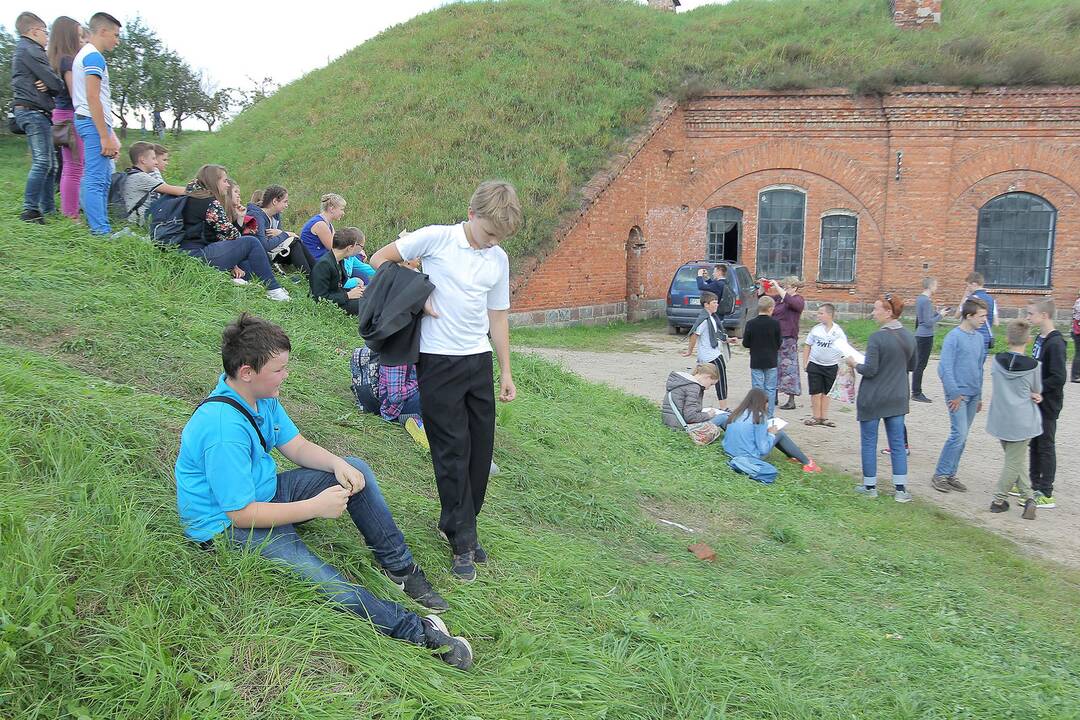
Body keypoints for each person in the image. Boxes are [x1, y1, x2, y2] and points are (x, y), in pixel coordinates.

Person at [174, 314, 473, 670]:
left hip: (263, 495)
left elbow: (296, 445)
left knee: (355, 470)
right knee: (322, 578)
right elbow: (241, 514)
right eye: (279, 369)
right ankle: (417, 630)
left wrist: (336, 464)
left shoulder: (260, 396)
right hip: (227, 527)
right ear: (246, 371)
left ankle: (400, 569)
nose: (286, 375)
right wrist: (314, 506)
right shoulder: (223, 430)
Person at [370, 180, 522, 583]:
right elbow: (379, 258)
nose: (493, 242)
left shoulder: (498, 258)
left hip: (478, 360)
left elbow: (498, 316)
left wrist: (505, 370)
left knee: (479, 451)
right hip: (438, 361)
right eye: (490, 233)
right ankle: (461, 541)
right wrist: (415, 294)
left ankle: (456, 521)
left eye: (500, 238)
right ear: (472, 215)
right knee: (451, 449)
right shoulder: (437, 239)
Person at [180, 165, 290, 301]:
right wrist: (241, 224)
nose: (227, 185)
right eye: (225, 181)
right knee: (251, 242)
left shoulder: (195, 197)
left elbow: (221, 236)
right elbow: (231, 236)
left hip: (187, 251)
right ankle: (274, 289)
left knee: (247, 257)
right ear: (214, 181)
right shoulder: (210, 203)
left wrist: (240, 218)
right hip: (198, 253)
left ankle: (244, 282)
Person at [848, 294, 916, 502]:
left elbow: (870, 370)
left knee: (869, 442)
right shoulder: (910, 337)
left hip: (874, 396)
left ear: (888, 312)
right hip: (898, 396)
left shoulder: (877, 338)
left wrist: (853, 364)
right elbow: (911, 367)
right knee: (897, 443)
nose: (873, 312)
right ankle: (901, 490)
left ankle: (870, 486)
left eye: (877, 309)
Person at [930, 297, 989, 494]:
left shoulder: (980, 338)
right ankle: (940, 474)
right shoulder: (953, 337)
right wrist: (954, 393)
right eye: (981, 316)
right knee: (959, 434)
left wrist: (979, 395)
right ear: (969, 315)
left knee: (963, 437)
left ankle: (950, 473)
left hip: (973, 395)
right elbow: (944, 368)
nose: (984, 320)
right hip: (958, 395)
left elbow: (979, 368)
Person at [986, 319, 1042, 519]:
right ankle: (998, 500)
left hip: (1001, 417)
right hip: (1022, 420)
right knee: (1013, 462)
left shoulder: (997, 360)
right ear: (1027, 339)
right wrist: (1036, 395)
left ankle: (1029, 499)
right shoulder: (1034, 365)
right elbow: (1037, 390)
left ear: (1007, 338)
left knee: (1014, 460)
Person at [72, 12, 121, 236]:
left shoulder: (85, 55)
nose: (117, 41)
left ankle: (99, 225)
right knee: (95, 178)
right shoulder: (93, 57)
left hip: (89, 121)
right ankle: (100, 230)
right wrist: (104, 135)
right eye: (115, 35)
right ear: (102, 31)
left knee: (100, 177)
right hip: (93, 123)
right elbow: (93, 97)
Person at [12, 12, 64, 224]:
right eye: (45, 31)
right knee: (43, 162)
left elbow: (50, 84)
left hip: (35, 111)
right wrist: (52, 85)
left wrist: (50, 86)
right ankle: (30, 210)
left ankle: (48, 210)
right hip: (33, 111)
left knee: (50, 164)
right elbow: (56, 84)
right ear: (34, 31)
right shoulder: (31, 50)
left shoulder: (25, 50)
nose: (47, 37)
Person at [721, 388, 820, 473]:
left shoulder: (737, 413)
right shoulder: (759, 417)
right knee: (779, 434)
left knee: (773, 434)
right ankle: (807, 463)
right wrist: (771, 434)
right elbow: (763, 449)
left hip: (729, 452)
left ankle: (793, 456)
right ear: (763, 402)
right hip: (749, 457)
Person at [1027, 297, 1066, 509]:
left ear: (1044, 315)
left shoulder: (1056, 343)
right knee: (1034, 442)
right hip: (1035, 400)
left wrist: (1040, 390)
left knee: (1046, 445)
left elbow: (1058, 377)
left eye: (1031, 313)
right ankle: (1033, 484)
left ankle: (1046, 491)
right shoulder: (1039, 338)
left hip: (1048, 403)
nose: (1028, 317)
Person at [46, 15, 85, 221]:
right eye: (79, 36)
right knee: (75, 166)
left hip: (60, 115)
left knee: (71, 164)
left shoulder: (55, 58)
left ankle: (71, 210)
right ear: (69, 37)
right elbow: (75, 94)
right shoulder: (69, 60)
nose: (82, 40)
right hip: (71, 115)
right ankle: (71, 215)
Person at [682, 291, 735, 409]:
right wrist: (690, 351)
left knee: (701, 381)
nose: (717, 305)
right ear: (706, 304)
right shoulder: (705, 319)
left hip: (706, 356)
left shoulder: (711, 318)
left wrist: (728, 340)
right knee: (719, 381)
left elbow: (715, 334)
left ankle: (695, 406)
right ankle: (723, 408)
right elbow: (694, 334)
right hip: (713, 356)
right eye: (714, 303)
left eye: (717, 302)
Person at [245, 185, 314, 276]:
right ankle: (312, 278)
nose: (286, 205)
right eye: (285, 202)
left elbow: (279, 237)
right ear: (274, 201)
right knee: (294, 244)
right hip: (262, 254)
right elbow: (264, 245)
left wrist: (281, 234)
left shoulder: (275, 215)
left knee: (296, 242)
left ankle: (318, 273)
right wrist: (285, 234)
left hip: (275, 250)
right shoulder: (257, 216)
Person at [801, 303, 846, 427]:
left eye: (821, 313)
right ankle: (816, 416)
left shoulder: (838, 332)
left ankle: (824, 417)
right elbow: (807, 345)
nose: (818, 315)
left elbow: (844, 349)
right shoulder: (816, 330)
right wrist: (805, 362)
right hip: (815, 364)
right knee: (815, 391)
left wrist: (842, 366)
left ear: (830, 315)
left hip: (831, 365)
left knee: (827, 392)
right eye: (818, 313)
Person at [121, 141, 186, 225]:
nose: (156, 162)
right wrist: (198, 189)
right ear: (143, 160)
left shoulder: (133, 174)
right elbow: (173, 190)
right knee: (174, 197)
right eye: (153, 158)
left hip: (137, 216)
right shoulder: (140, 177)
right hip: (140, 220)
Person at [309, 227, 367, 315]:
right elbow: (319, 298)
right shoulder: (324, 265)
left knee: (369, 297)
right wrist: (348, 295)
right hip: (328, 305)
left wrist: (356, 291)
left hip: (338, 298)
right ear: (350, 247)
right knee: (368, 304)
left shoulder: (339, 260)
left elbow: (336, 288)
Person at [742, 295, 782, 418]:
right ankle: (769, 415)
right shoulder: (775, 323)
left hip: (756, 360)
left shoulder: (751, 323)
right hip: (771, 360)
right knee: (770, 389)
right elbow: (779, 342)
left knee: (758, 388)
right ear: (770, 309)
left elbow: (745, 343)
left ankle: (758, 414)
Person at [912, 277, 949, 403]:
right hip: (925, 335)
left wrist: (936, 313)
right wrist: (941, 316)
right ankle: (916, 392)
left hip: (919, 334)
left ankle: (916, 391)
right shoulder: (926, 301)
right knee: (920, 364)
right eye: (936, 285)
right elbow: (927, 322)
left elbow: (922, 318)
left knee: (919, 364)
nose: (937, 287)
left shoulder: (919, 299)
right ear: (931, 286)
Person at [771, 277, 805, 410]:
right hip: (775, 337)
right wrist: (764, 286)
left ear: (795, 287)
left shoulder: (798, 300)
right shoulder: (779, 299)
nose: (785, 289)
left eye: (788, 286)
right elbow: (764, 300)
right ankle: (773, 395)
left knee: (789, 369)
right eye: (784, 286)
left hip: (788, 338)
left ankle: (791, 399)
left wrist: (778, 287)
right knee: (774, 366)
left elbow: (789, 300)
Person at [956, 272, 998, 350]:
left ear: (974, 284)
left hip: (971, 336)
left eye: (968, 285)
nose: (967, 288)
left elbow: (957, 315)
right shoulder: (992, 300)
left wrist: (965, 296)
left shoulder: (971, 299)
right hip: (985, 338)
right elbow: (996, 323)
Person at [300, 193, 346, 261]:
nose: (343, 213)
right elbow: (333, 249)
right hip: (316, 261)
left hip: (321, 257)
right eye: (341, 209)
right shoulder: (320, 224)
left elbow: (337, 243)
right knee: (351, 257)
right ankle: (347, 271)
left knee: (355, 256)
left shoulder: (328, 223)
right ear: (332, 209)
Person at [1072, 288, 1080, 383]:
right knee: (1078, 353)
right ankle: (1075, 376)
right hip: (1078, 332)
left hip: (1076, 330)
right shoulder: (1079, 303)